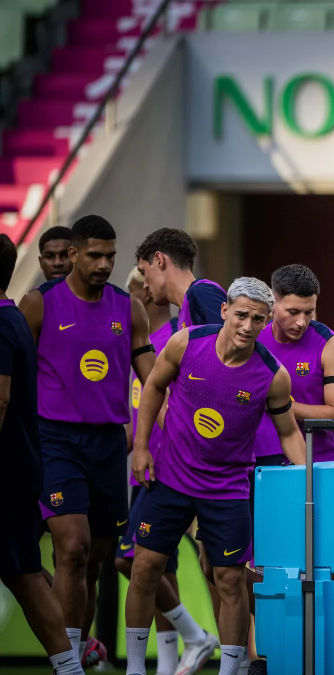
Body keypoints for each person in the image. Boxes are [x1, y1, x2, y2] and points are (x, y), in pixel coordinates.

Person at [123, 277, 307, 675]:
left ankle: (230, 670)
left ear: (266, 322)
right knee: (143, 568)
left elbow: (289, 432)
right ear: (224, 310)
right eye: (241, 314)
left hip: (226, 491)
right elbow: (153, 386)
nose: (247, 326)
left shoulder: (272, 376)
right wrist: (141, 448)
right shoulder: (185, 343)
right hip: (169, 479)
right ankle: (135, 669)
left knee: (229, 581)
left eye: (258, 319)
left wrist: (306, 486)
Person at [18, 215, 156, 664]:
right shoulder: (38, 305)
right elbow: (13, 377)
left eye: (111, 256)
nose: (104, 264)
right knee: (71, 548)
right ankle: (68, 663)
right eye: (94, 255)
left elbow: (153, 381)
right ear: (73, 254)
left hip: (108, 445)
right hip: (54, 441)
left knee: (93, 562)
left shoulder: (129, 308)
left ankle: (77, 647)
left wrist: (152, 437)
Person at [117, 268, 216, 675]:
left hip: (170, 469)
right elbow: (139, 410)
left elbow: (175, 408)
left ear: (144, 291)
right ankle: (172, 662)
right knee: (157, 567)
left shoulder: (173, 340)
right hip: (148, 468)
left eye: (128, 299)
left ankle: (201, 638)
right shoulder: (140, 346)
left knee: (133, 560)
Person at [0, 233, 87, 675]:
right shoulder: (14, 316)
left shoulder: (1, 323)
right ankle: (70, 665)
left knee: (26, 574)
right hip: (22, 467)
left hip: (7, 472)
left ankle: (70, 665)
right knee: (24, 572)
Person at [254, 264, 334, 465]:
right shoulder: (254, 340)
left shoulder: (333, 345)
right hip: (265, 463)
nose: (301, 322)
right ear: (272, 303)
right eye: (293, 311)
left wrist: (280, 406)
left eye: (309, 312)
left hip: (322, 463)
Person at [135, 228, 226, 328]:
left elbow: (230, 341)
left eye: (143, 272)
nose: (144, 285)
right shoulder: (185, 311)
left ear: (159, 260)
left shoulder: (202, 292)